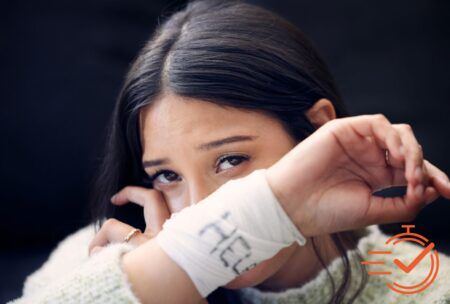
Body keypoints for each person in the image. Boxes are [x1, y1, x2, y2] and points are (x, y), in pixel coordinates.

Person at [9, 0, 450, 303]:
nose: (198, 209)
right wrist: (170, 279)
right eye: (167, 176)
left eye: (229, 160)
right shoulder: (102, 255)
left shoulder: (428, 289)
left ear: (316, 130)